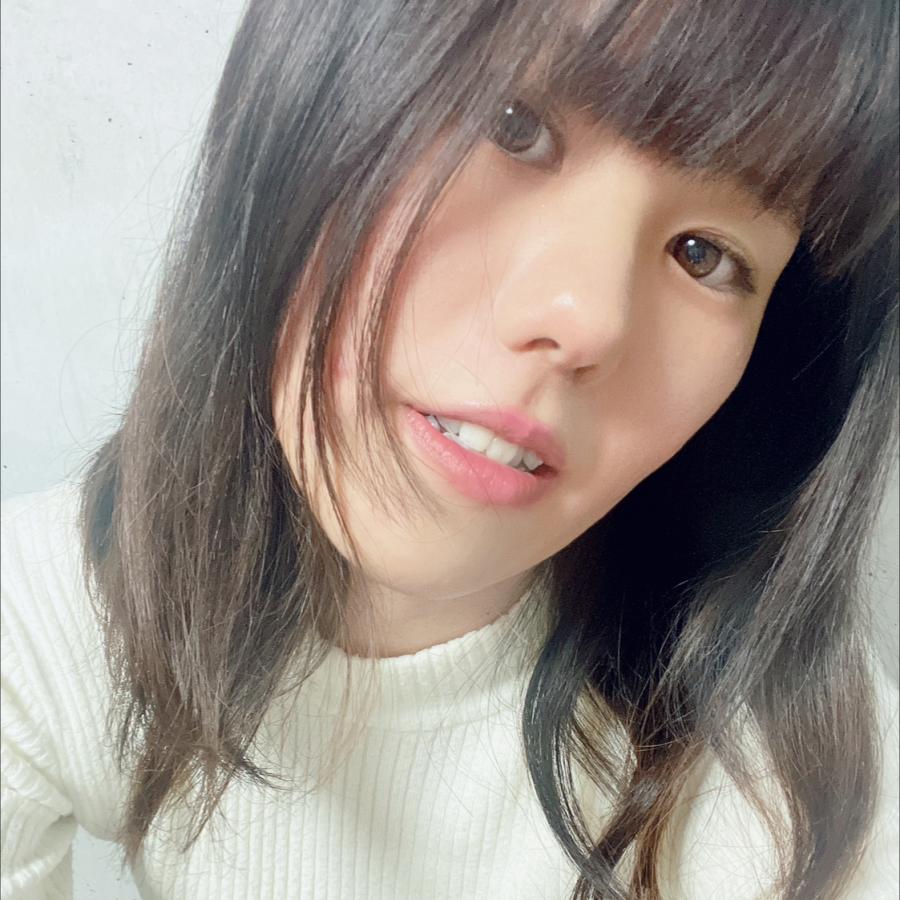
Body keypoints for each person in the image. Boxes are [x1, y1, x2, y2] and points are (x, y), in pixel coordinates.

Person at [2, 0, 898, 898]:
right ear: (308, 77)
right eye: (511, 125)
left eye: (704, 255)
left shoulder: (796, 780)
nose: (588, 319)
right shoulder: (46, 617)